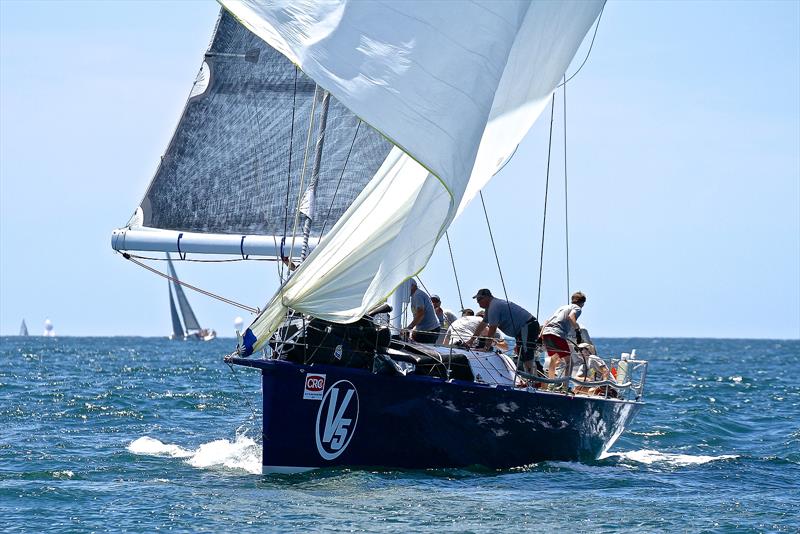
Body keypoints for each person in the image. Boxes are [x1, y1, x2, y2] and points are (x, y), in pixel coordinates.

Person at [467, 289, 540, 374]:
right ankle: (530, 381)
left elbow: (492, 329)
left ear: (487, 298)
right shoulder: (490, 307)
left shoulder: (494, 307)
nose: (477, 302)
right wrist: (471, 340)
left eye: (479, 300)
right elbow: (483, 324)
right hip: (523, 329)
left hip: (527, 326)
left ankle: (533, 383)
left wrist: (486, 348)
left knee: (527, 355)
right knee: (523, 355)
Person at [541, 291, 587, 380]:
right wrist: (577, 331)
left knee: (554, 358)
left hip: (546, 333)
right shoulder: (577, 308)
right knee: (569, 362)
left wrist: (540, 335)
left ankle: (551, 382)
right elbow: (571, 316)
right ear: (582, 303)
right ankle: (565, 386)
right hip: (557, 333)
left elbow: (547, 321)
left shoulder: (562, 307)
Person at [404, 279, 440, 344]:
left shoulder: (417, 295)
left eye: (405, 287)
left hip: (429, 331)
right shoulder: (415, 295)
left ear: (412, 286)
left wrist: (409, 328)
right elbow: (418, 316)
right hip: (428, 329)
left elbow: (420, 314)